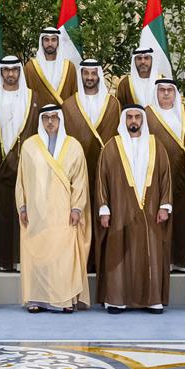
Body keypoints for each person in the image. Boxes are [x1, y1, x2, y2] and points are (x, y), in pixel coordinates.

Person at [95, 105, 172, 314]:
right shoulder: (112, 146)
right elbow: (101, 179)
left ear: (143, 120)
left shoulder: (156, 145)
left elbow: (165, 177)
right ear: (124, 120)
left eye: (137, 116)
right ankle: (117, 300)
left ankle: (152, 300)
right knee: (118, 253)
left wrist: (165, 206)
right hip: (120, 211)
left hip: (151, 210)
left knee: (151, 253)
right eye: (129, 117)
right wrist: (104, 209)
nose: (133, 120)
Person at [16, 103, 91, 313]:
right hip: (36, 213)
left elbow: (80, 181)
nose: (50, 121)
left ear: (60, 119)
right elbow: (21, 180)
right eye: (46, 117)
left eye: (54, 117)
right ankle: (36, 299)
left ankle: (65, 300)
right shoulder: (29, 146)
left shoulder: (73, 146)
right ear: (41, 121)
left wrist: (77, 208)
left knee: (63, 256)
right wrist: (22, 205)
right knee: (37, 255)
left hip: (63, 213)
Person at [0, 55, 39, 271]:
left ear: (19, 72)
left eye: (14, 70)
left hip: (26, 169)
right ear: (1, 72)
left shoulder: (31, 97)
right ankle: (1, 261)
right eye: (6, 70)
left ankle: (23, 260)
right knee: (0, 214)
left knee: (25, 213)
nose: (10, 74)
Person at [62, 58, 120, 267]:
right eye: (85, 74)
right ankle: (81, 262)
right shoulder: (68, 106)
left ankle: (104, 263)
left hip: (106, 173)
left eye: (93, 74)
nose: (89, 78)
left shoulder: (113, 105)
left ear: (98, 76)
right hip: (77, 172)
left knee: (104, 214)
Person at [146, 78, 185, 271]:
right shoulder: (147, 115)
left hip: (183, 178)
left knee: (182, 221)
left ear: (175, 93)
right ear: (156, 92)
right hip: (155, 177)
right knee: (159, 218)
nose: (166, 94)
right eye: (162, 90)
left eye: (170, 90)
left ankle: (181, 260)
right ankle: (162, 261)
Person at [23, 28, 77, 109]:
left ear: (58, 42)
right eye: (46, 40)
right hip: (40, 118)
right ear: (41, 42)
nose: (50, 43)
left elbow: (74, 96)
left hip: (65, 116)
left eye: (53, 40)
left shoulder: (69, 67)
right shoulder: (30, 68)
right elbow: (25, 96)